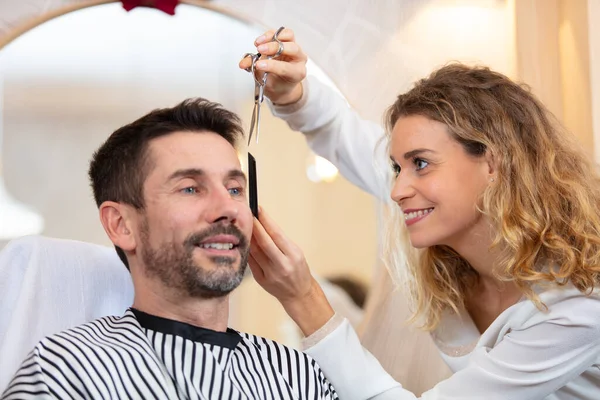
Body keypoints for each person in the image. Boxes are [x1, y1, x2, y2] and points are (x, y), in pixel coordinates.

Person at [240, 29, 600, 399]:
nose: (397, 190)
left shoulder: (579, 304)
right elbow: (342, 132)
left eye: (421, 163)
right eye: (397, 168)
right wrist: (294, 95)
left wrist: (304, 298)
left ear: (492, 164)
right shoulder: (438, 213)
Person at [1, 98, 338, 400]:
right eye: (191, 188)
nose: (229, 208)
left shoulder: (299, 377)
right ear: (121, 225)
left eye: (235, 189)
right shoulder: (63, 376)